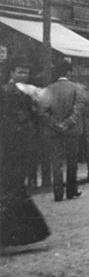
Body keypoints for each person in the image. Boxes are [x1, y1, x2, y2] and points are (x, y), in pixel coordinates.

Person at [0, 64, 50, 246]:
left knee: (14, 189)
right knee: (12, 189)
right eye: (19, 71)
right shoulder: (7, 92)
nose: (24, 75)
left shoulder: (29, 92)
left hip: (22, 145)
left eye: (26, 72)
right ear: (11, 72)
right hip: (11, 145)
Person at [40, 60, 85, 201]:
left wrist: (56, 124)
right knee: (72, 162)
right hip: (72, 131)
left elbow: (43, 112)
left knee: (57, 163)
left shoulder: (48, 89)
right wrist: (67, 123)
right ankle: (72, 191)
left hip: (54, 133)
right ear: (68, 73)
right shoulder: (76, 88)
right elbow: (78, 110)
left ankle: (58, 193)